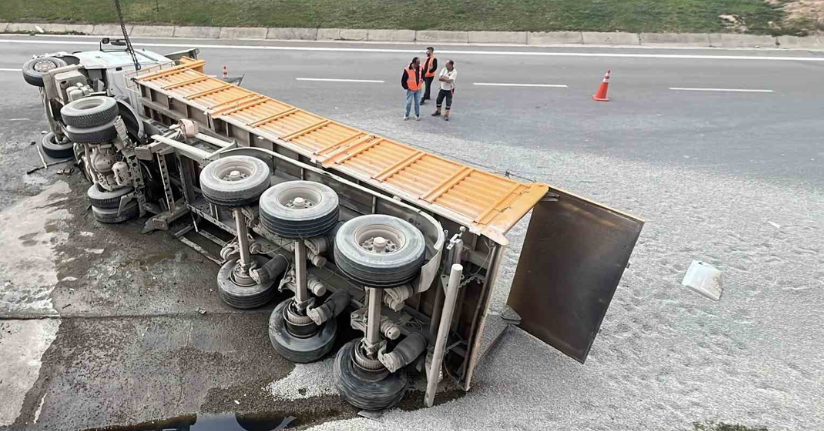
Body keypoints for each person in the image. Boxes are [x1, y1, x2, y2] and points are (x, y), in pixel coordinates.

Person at [401, 57, 423, 121]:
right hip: (411, 89)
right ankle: (406, 114)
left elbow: (422, 75)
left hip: (418, 89)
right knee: (409, 103)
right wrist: (407, 87)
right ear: (413, 63)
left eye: (419, 63)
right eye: (417, 63)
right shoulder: (407, 69)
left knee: (417, 103)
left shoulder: (420, 68)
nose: (418, 65)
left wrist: (422, 79)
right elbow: (403, 80)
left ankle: (417, 114)